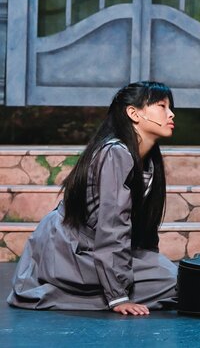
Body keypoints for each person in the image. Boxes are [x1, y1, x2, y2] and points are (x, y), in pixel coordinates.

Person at [8, 82, 178, 314]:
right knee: (177, 284)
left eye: (170, 107)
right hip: (72, 251)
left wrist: (148, 262)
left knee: (178, 280)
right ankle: (78, 294)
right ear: (133, 113)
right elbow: (112, 226)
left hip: (95, 249)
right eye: (161, 106)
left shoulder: (148, 160)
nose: (171, 114)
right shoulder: (115, 154)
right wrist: (119, 297)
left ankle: (109, 288)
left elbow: (140, 228)